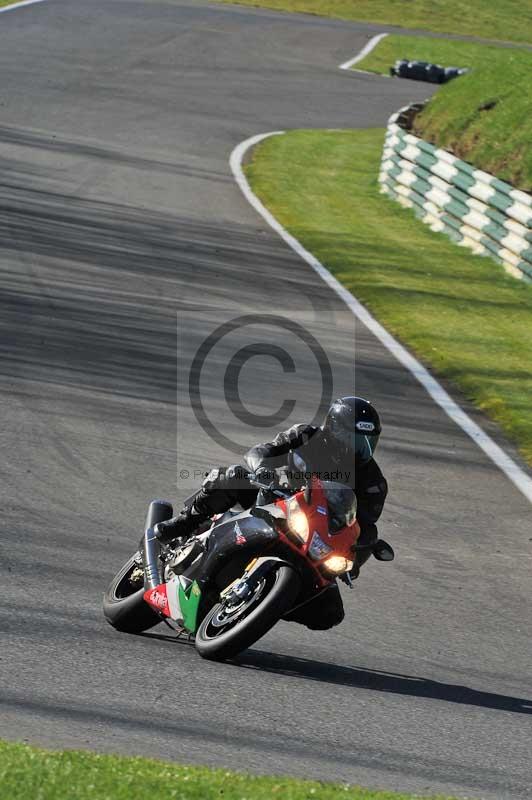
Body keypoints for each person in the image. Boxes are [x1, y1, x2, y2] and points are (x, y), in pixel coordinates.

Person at [155, 396, 388, 630]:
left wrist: (355, 561)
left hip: (315, 536)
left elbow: (363, 528)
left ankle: (268, 601)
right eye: (353, 439)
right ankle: (184, 523)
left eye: (367, 443)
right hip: (272, 500)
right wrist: (263, 469)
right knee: (234, 477)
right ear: (333, 428)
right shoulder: (306, 436)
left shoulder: (373, 483)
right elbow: (260, 451)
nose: (358, 449)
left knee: (330, 613)